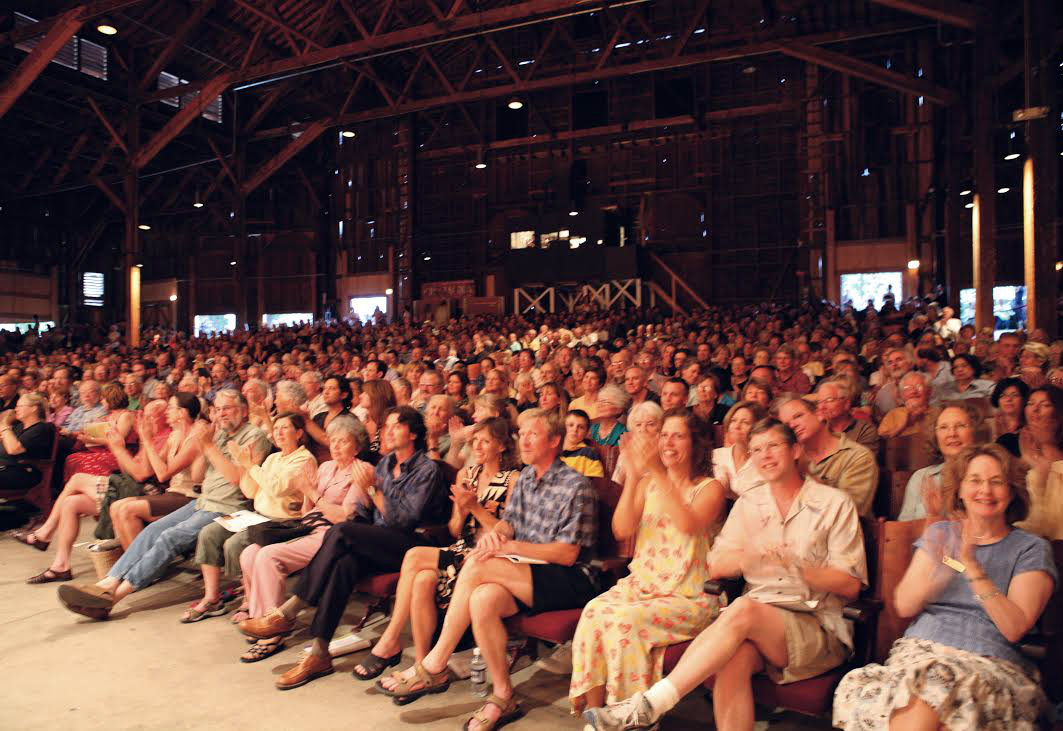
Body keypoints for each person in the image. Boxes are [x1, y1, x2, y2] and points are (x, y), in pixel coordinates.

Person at [584, 418, 867, 731]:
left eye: (773, 446)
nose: (765, 456)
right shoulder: (750, 502)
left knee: (741, 609)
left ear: (796, 450)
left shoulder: (833, 503)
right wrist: (752, 555)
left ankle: (652, 703)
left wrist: (797, 567)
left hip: (816, 624)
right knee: (732, 660)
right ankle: (645, 706)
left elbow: (850, 584)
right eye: (757, 449)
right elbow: (716, 566)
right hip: (757, 622)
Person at [377, 409, 598, 731]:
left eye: (532, 434)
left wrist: (509, 547)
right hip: (527, 570)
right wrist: (499, 534)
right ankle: (503, 694)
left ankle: (436, 662)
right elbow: (511, 523)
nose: (523, 439)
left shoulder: (575, 485)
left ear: (554, 441)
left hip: (572, 577)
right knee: (483, 599)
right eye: (521, 433)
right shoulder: (527, 480)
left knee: (479, 565)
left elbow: (567, 554)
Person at [834, 444, 1056, 731]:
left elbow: (1014, 628)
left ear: (1012, 491)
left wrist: (971, 566)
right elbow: (904, 605)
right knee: (928, 695)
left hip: (992, 665)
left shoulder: (1031, 549)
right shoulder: (941, 534)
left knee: (931, 695)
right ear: (960, 489)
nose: (985, 491)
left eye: (996, 481)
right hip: (920, 655)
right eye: (974, 480)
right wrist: (938, 572)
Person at [238, 406, 446, 689]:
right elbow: (367, 513)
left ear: (412, 433)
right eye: (385, 426)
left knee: (341, 531)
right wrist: (364, 498)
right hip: (380, 538)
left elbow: (404, 521)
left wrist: (372, 490)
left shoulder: (426, 469)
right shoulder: (385, 464)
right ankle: (319, 653)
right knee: (343, 562)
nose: (387, 431)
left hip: (412, 546)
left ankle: (288, 612)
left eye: (395, 425)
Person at [55, 389, 271, 620]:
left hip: (228, 507)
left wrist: (207, 446)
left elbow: (236, 480)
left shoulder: (254, 436)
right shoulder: (217, 435)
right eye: (217, 409)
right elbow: (198, 477)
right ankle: (109, 581)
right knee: (154, 530)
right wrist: (202, 445)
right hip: (203, 501)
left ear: (244, 410)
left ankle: (113, 598)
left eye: (227, 408)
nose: (221, 414)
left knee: (171, 536)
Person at [570, 409, 726, 715]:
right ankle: (596, 713)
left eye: (678, 436)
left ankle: (627, 715)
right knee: (593, 611)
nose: (668, 442)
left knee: (624, 621)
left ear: (696, 444)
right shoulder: (647, 483)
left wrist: (654, 470)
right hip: (642, 584)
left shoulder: (710, 488)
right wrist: (632, 473)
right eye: (664, 435)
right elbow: (621, 529)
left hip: (689, 595)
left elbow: (688, 524)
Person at [353, 417, 517, 679]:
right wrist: (462, 511)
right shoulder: (466, 474)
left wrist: (475, 507)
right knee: (422, 578)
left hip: (488, 554)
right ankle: (422, 664)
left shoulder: (513, 479)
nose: (477, 446)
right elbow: (454, 529)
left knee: (415, 555)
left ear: (502, 446)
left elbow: (507, 532)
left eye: (485, 441)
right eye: (475, 441)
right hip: (462, 547)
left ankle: (391, 638)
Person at [238, 416, 375, 662]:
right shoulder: (325, 467)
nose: (335, 446)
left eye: (343, 441)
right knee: (250, 553)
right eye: (333, 440)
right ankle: (265, 619)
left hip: (331, 536)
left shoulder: (362, 471)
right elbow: (306, 511)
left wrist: (311, 491)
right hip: (306, 527)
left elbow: (344, 518)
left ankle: (271, 635)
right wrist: (306, 492)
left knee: (269, 556)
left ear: (357, 446)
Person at [183, 412, 317, 622]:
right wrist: (246, 467)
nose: (279, 432)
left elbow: (277, 488)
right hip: (257, 515)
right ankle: (211, 597)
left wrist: (251, 465)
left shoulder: (304, 459)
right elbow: (250, 492)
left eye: (285, 428)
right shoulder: (273, 457)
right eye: (277, 428)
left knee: (235, 544)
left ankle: (248, 598)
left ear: (299, 433)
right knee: (209, 532)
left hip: (283, 521)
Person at [16, 400, 170, 583]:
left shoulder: (164, 438)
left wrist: (119, 447)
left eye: (150, 415)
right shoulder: (150, 436)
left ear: (164, 418)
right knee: (70, 503)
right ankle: (60, 566)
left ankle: (44, 534)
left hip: (148, 492)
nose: (142, 419)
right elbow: (127, 470)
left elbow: (141, 475)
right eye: (143, 414)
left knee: (78, 479)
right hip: (128, 486)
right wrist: (118, 446)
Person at [108, 393, 208, 550]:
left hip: (190, 496)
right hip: (173, 493)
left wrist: (147, 441)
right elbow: (146, 471)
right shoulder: (174, 436)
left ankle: (142, 566)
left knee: (128, 510)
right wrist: (135, 443)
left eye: (170, 408)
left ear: (182, 412)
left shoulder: (195, 438)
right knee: (116, 507)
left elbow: (163, 475)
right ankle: (135, 564)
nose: (167, 411)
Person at [778, 397, 879, 517]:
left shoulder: (858, 456)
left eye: (798, 416)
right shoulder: (790, 458)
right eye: (787, 425)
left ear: (820, 414)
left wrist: (803, 476)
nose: (793, 425)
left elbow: (848, 511)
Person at [896, 402, 982, 521]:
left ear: (973, 431)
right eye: (943, 427)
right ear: (935, 436)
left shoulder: (987, 475)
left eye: (960, 426)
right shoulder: (921, 478)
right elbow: (904, 531)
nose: (952, 434)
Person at [62, 381, 134, 482]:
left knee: (78, 460)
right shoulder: (110, 416)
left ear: (111, 399)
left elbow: (117, 441)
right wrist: (87, 433)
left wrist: (91, 439)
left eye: (103, 399)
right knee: (71, 458)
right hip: (105, 450)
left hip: (120, 453)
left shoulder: (125, 415)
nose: (101, 402)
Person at [996, 385, 1063, 469]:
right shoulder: (1007, 442)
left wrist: (1047, 444)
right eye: (1030, 403)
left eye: (1045, 405)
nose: (1035, 408)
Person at [0, 393, 56, 493]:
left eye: (20, 406)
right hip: (6, 468)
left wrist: (4, 425)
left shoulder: (42, 428)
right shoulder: (18, 427)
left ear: (34, 408)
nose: (16, 409)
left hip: (24, 472)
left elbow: (14, 449)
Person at [711, 401, 768, 498]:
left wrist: (731, 494)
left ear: (758, 427)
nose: (737, 426)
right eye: (733, 421)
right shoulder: (715, 455)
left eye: (745, 422)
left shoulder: (764, 462)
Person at [814, 376, 879, 454]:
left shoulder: (865, 430)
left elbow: (862, 462)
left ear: (846, 404)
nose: (822, 407)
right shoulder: (819, 429)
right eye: (819, 402)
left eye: (829, 400)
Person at [612, 400, 663, 485]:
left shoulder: (665, 453)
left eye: (650, 424)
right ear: (632, 429)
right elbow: (616, 484)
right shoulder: (626, 452)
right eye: (638, 425)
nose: (643, 429)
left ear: (660, 427)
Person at [878, 371, 932, 439]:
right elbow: (881, 440)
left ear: (929, 391)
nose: (913, 391)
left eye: (919, 386)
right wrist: (904, 425)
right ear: (902, 395)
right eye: (908, 388)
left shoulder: (938, 412)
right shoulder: (893, 414)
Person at [561, 409, 605, 478]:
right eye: (571, 425)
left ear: (586, 433)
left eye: (581, 427)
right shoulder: (553, 449)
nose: (575, 430)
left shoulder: (589, 453)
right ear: (563, 427)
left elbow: (596, 481)